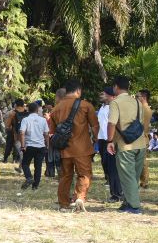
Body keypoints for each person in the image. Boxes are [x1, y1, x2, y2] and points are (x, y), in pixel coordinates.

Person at [48, 80, 99, 211]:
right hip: (82, 148)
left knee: (65, 177)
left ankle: (64, 204)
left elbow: (52, 132)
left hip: (64, 150)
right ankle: (80, 197)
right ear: (78, 91)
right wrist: (96, 139)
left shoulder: (56, 108)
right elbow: (94, 126)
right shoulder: (86, 105)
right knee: (84, 174)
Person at [107, 75, 151, 214]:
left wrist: (110, 141)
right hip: (140, 143)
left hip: (125, 144)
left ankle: (134, 206)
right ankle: (127, 203)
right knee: (133, 177)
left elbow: (112, 123)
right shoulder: (138, 102)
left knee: (127, 176)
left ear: (116, 87)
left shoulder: (115, 102)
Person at [96, 87, 122, 203]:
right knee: (106, 166)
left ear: (112, 96)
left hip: (110, 141)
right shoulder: (102, 107)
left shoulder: (114, 107)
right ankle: (114, 190)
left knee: (113, 168)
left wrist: (111, 141)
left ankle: (117, 193)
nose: (102, 94)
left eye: (105, 93)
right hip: (101, 140)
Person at [18, 102, 49, 190]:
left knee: (25, 164)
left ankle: (29, 177)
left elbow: (22, 133)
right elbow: (46, 134)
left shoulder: (25, 120)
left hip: (30, 146)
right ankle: (35, 186)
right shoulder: (43, 120)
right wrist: (47, 145)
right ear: (37, 110)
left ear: (28, 110)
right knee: (38, 167)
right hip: (41, 146)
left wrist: (23, 146)